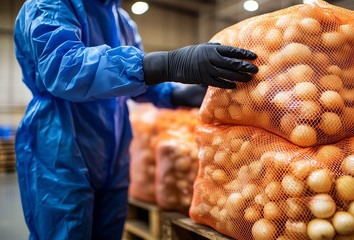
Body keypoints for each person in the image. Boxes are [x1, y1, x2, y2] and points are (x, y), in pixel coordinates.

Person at [13, 0, 258, 239]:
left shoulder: (121, 20)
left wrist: (178, 94)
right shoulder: (48, 5)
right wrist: (167, 63)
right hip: (60, 148)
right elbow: (65, 68)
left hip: (113, 152)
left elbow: (140, 82)